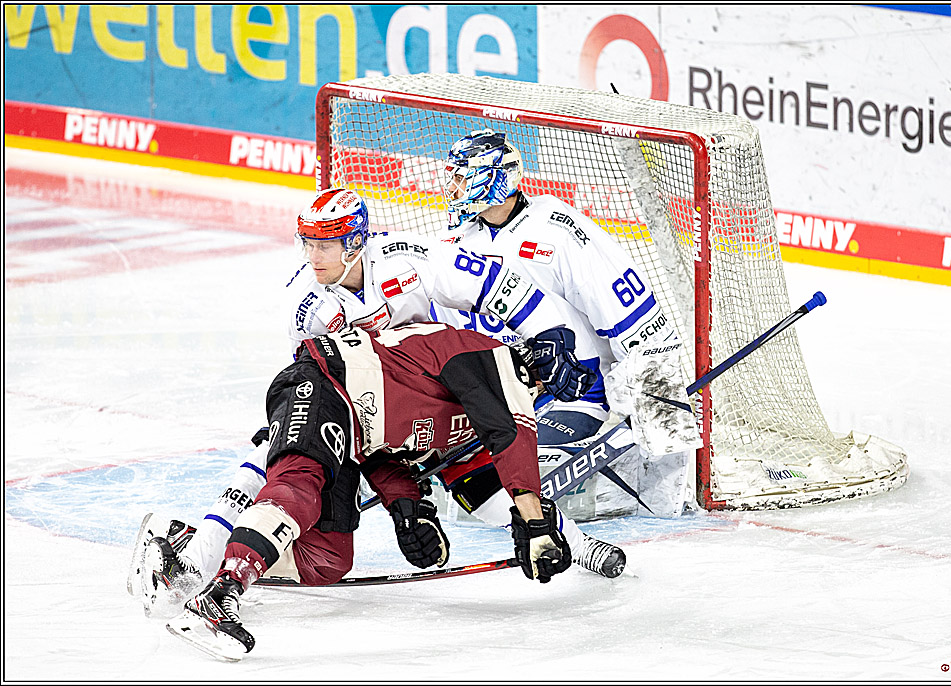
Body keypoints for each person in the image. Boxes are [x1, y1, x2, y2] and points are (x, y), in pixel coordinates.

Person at [128, 188, 625, 616]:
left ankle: (580, 548)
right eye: (308, 242)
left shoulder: (410, 259)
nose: (314, 254)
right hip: (363, 398)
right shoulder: (305, 304)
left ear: (357, 241)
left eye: (328, 243)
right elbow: (320, 386)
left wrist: (544, 339)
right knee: (279, 459)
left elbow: (496, 284)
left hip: (433, 392)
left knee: (484, 500)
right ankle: (199, 557)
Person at [167, 323, 574, 660]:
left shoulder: (469, 408)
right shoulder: (489, 358)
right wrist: (534, 522)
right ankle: (221, 594)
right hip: (324, 386)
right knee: (300, 487)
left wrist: (408, 509)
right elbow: (511, 434)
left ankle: (198, 548)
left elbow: (386, 455)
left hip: (355, 436)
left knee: (326, 559)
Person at [430, 129, 689, 519]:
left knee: (515, 486)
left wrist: (658, 423)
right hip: (505, 392)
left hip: (574, 390)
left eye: (461, 176)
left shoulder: (558, 231)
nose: (452, 187)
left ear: (495, 178)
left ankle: (634, 472)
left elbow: (635, 322)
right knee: (464, 487)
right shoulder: (459, 240)